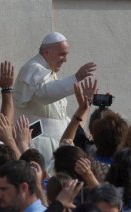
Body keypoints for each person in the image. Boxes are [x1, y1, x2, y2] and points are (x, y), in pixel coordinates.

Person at [13, 32, 97, 173]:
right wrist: (75, 78)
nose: (65, 60)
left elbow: (60, 115)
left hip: (58, 141)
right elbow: (43, 94)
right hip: (39, 141)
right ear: (46, 51)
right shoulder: (32, 68)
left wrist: (85, 107)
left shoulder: (49, 72)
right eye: (61, 54)